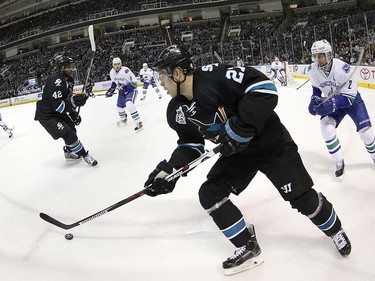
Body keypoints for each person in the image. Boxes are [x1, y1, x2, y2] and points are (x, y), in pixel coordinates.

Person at [144, 45, 351, 275]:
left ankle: (336, 230)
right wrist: (169, 171)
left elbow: (264, 88)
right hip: (238, 154)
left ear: (179, 73)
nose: (160, 83)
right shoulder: (176, 111)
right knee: (210, 193)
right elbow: (190, 145)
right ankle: (247, 245)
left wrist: (240, 128)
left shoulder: (214, 77)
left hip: (270, 143)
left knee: (303, 198)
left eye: (162, 75)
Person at [308, 39, 375, 178]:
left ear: (329, 54)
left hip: (352, 102)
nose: (318, 59)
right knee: (325, 127)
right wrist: (313, 100)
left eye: (321, 55)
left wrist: (332, 103)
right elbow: (316, 88)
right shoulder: (313, 69)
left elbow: (350, 97)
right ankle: (338, 161)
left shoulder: (343, 68)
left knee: (366, 133)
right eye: (315, 55)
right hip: (333, 101)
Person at [34, 56, 98, 166]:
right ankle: (84, 155)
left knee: (72, 129)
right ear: (62, 68)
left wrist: (73, 113)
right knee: (68, 134)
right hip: (48, 115)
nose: (72, 69)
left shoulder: (70, 81)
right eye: (69, 67)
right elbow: (58, 106)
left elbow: (67, 99)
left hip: (57, 112)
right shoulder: (56, 81)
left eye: (72, 67)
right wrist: (74, 102)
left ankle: (68, 151)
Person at [105, 57, 143, 131]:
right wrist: (112, 90)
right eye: (115, 64)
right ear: (113, 65)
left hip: (131, 90)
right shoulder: (112, 72)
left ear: (121, 64)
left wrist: (125, 88)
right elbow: (114, 82)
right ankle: (124, 119)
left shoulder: (125, 71)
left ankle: (139, 123)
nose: (117, 66)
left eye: (118, 64)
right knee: (119, 107)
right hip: (122, 92)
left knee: (129, 104)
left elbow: (134, 83)